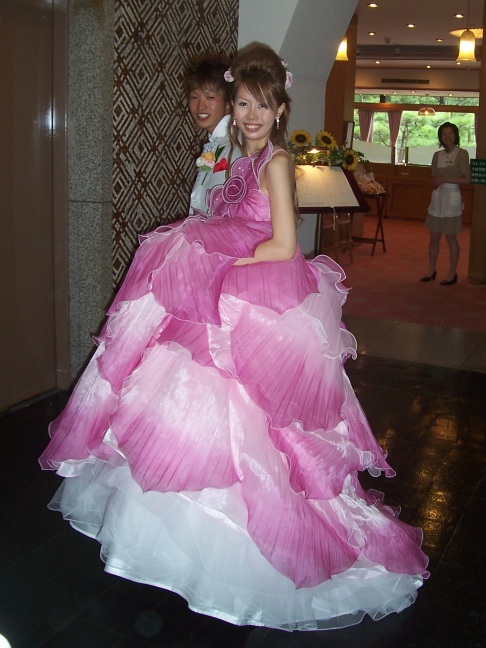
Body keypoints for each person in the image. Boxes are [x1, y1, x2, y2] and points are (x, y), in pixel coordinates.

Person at [39, 43, 428, 632]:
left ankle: (249, 553)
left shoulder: (274, 162)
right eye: (243, 103)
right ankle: (170, 545)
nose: (250, 115)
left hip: (250, 296)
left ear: (280, 112)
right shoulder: (228, 156)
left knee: (250, 423)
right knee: (179, 404)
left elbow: (282, 245)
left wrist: (220, 265)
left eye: (263, 107)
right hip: (215, 294)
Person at [420, 121, 470, 285]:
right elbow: (433, 177)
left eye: (450, 133)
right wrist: (435, 181)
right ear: (440, 137)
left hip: (452, 196)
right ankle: (431, 270)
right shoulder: (437, 155)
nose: (447, 137)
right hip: (439, 196)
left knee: (451, 238)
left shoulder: (462, 153)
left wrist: (445, 179)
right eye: (444, 134)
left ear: (455, 135)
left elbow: (467, 179)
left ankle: (452, 273)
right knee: (433, 237)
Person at [184, 52, 234, 214]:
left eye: (210, 97)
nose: (200, 106)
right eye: (194, 97)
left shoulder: (235, 144)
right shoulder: (215, 142)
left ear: (228, 103)